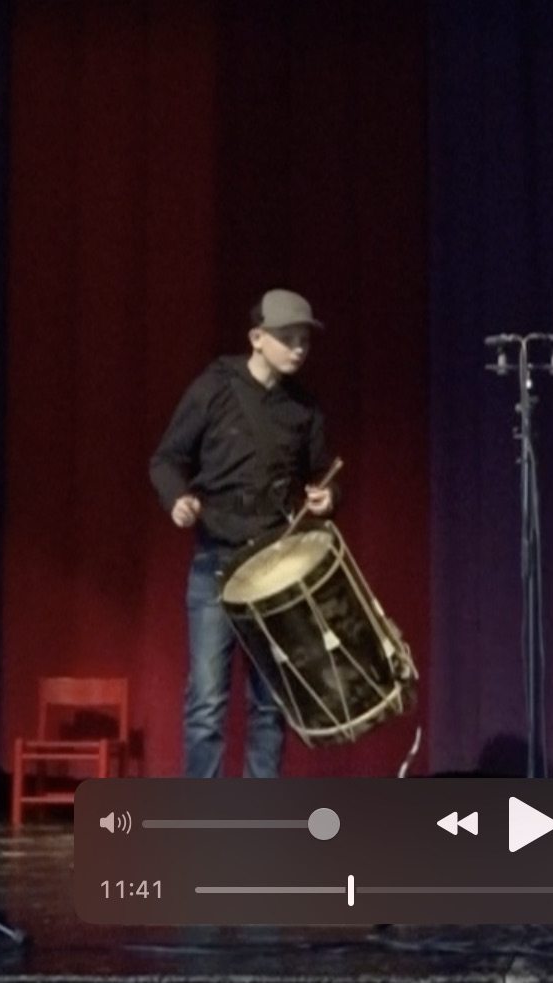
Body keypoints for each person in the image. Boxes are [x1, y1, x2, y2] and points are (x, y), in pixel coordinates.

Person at [150, 289, 339, 779]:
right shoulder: (214, 388)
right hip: (216, 562)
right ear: (257, 338)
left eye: (304, 340)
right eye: (287, 338)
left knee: (271, 701)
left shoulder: (303, 409)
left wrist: (327, 497)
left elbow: (323, 474)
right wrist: (177, 499)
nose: (298, 348)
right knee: (207, 702)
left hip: (274, 569)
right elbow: (166, 459)